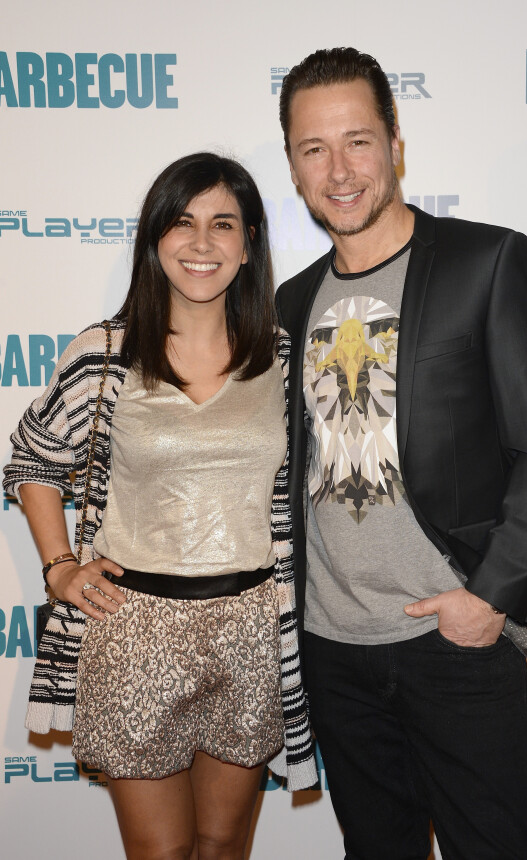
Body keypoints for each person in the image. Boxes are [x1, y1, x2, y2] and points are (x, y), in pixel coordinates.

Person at [275, 47, 527, 860]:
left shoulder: (488, 261)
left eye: (358, 141)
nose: (339, 170)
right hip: (335, 649)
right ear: (294, 167)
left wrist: (487, 600)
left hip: (456, 642)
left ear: (396, 144)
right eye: (314, 149)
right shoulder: (291, 300)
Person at [4, 152, 316, 860]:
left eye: (222, 224)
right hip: (136, 628)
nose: (201, 243)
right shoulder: (106, 353)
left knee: (222, 843)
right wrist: (58, 567)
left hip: (249, 629)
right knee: (161, 853)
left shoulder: (282, 357)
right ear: (154, 240)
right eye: (182, 223)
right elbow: (33, 459)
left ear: (249, 244)